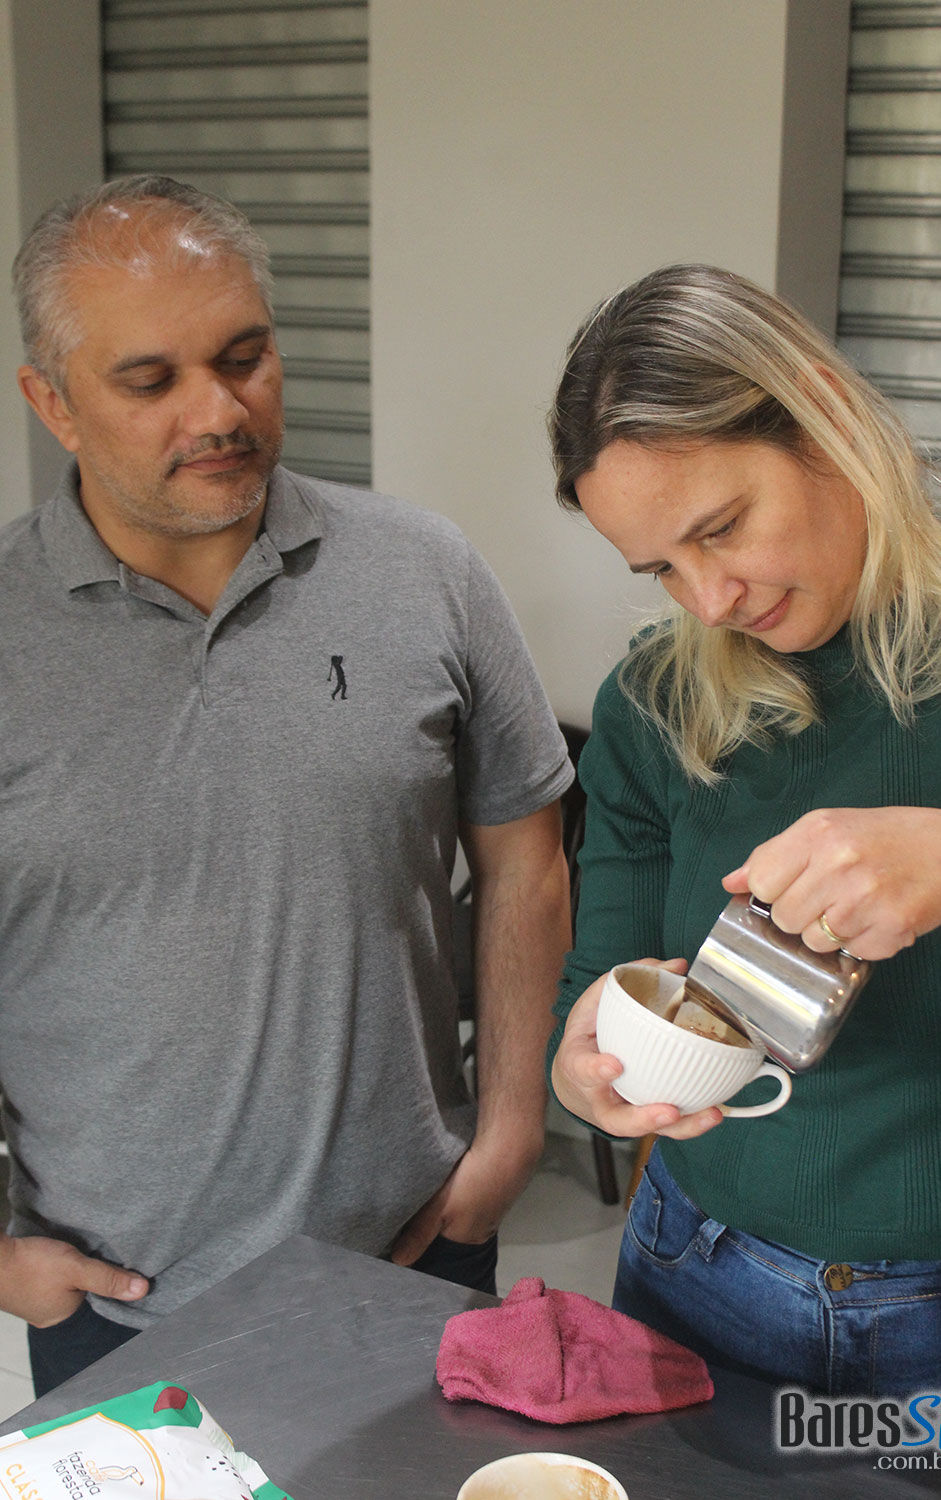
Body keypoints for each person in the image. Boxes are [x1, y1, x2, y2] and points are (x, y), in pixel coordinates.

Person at [3, 175, 573, 1395]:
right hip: (117, 1308)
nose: (219, 411)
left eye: (243, 357)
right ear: (52, 403)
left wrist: (511, 1128)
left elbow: (525, 858)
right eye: (149, 381)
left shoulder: (425, 570)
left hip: (418, 1256)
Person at [545, 263, 941, 1441]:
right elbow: (596, 978)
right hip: (693, 1272)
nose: (707, 599)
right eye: (661, 567)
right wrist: (582, 1066)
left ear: (822, 414)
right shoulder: (653, 704)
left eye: (720, 529)